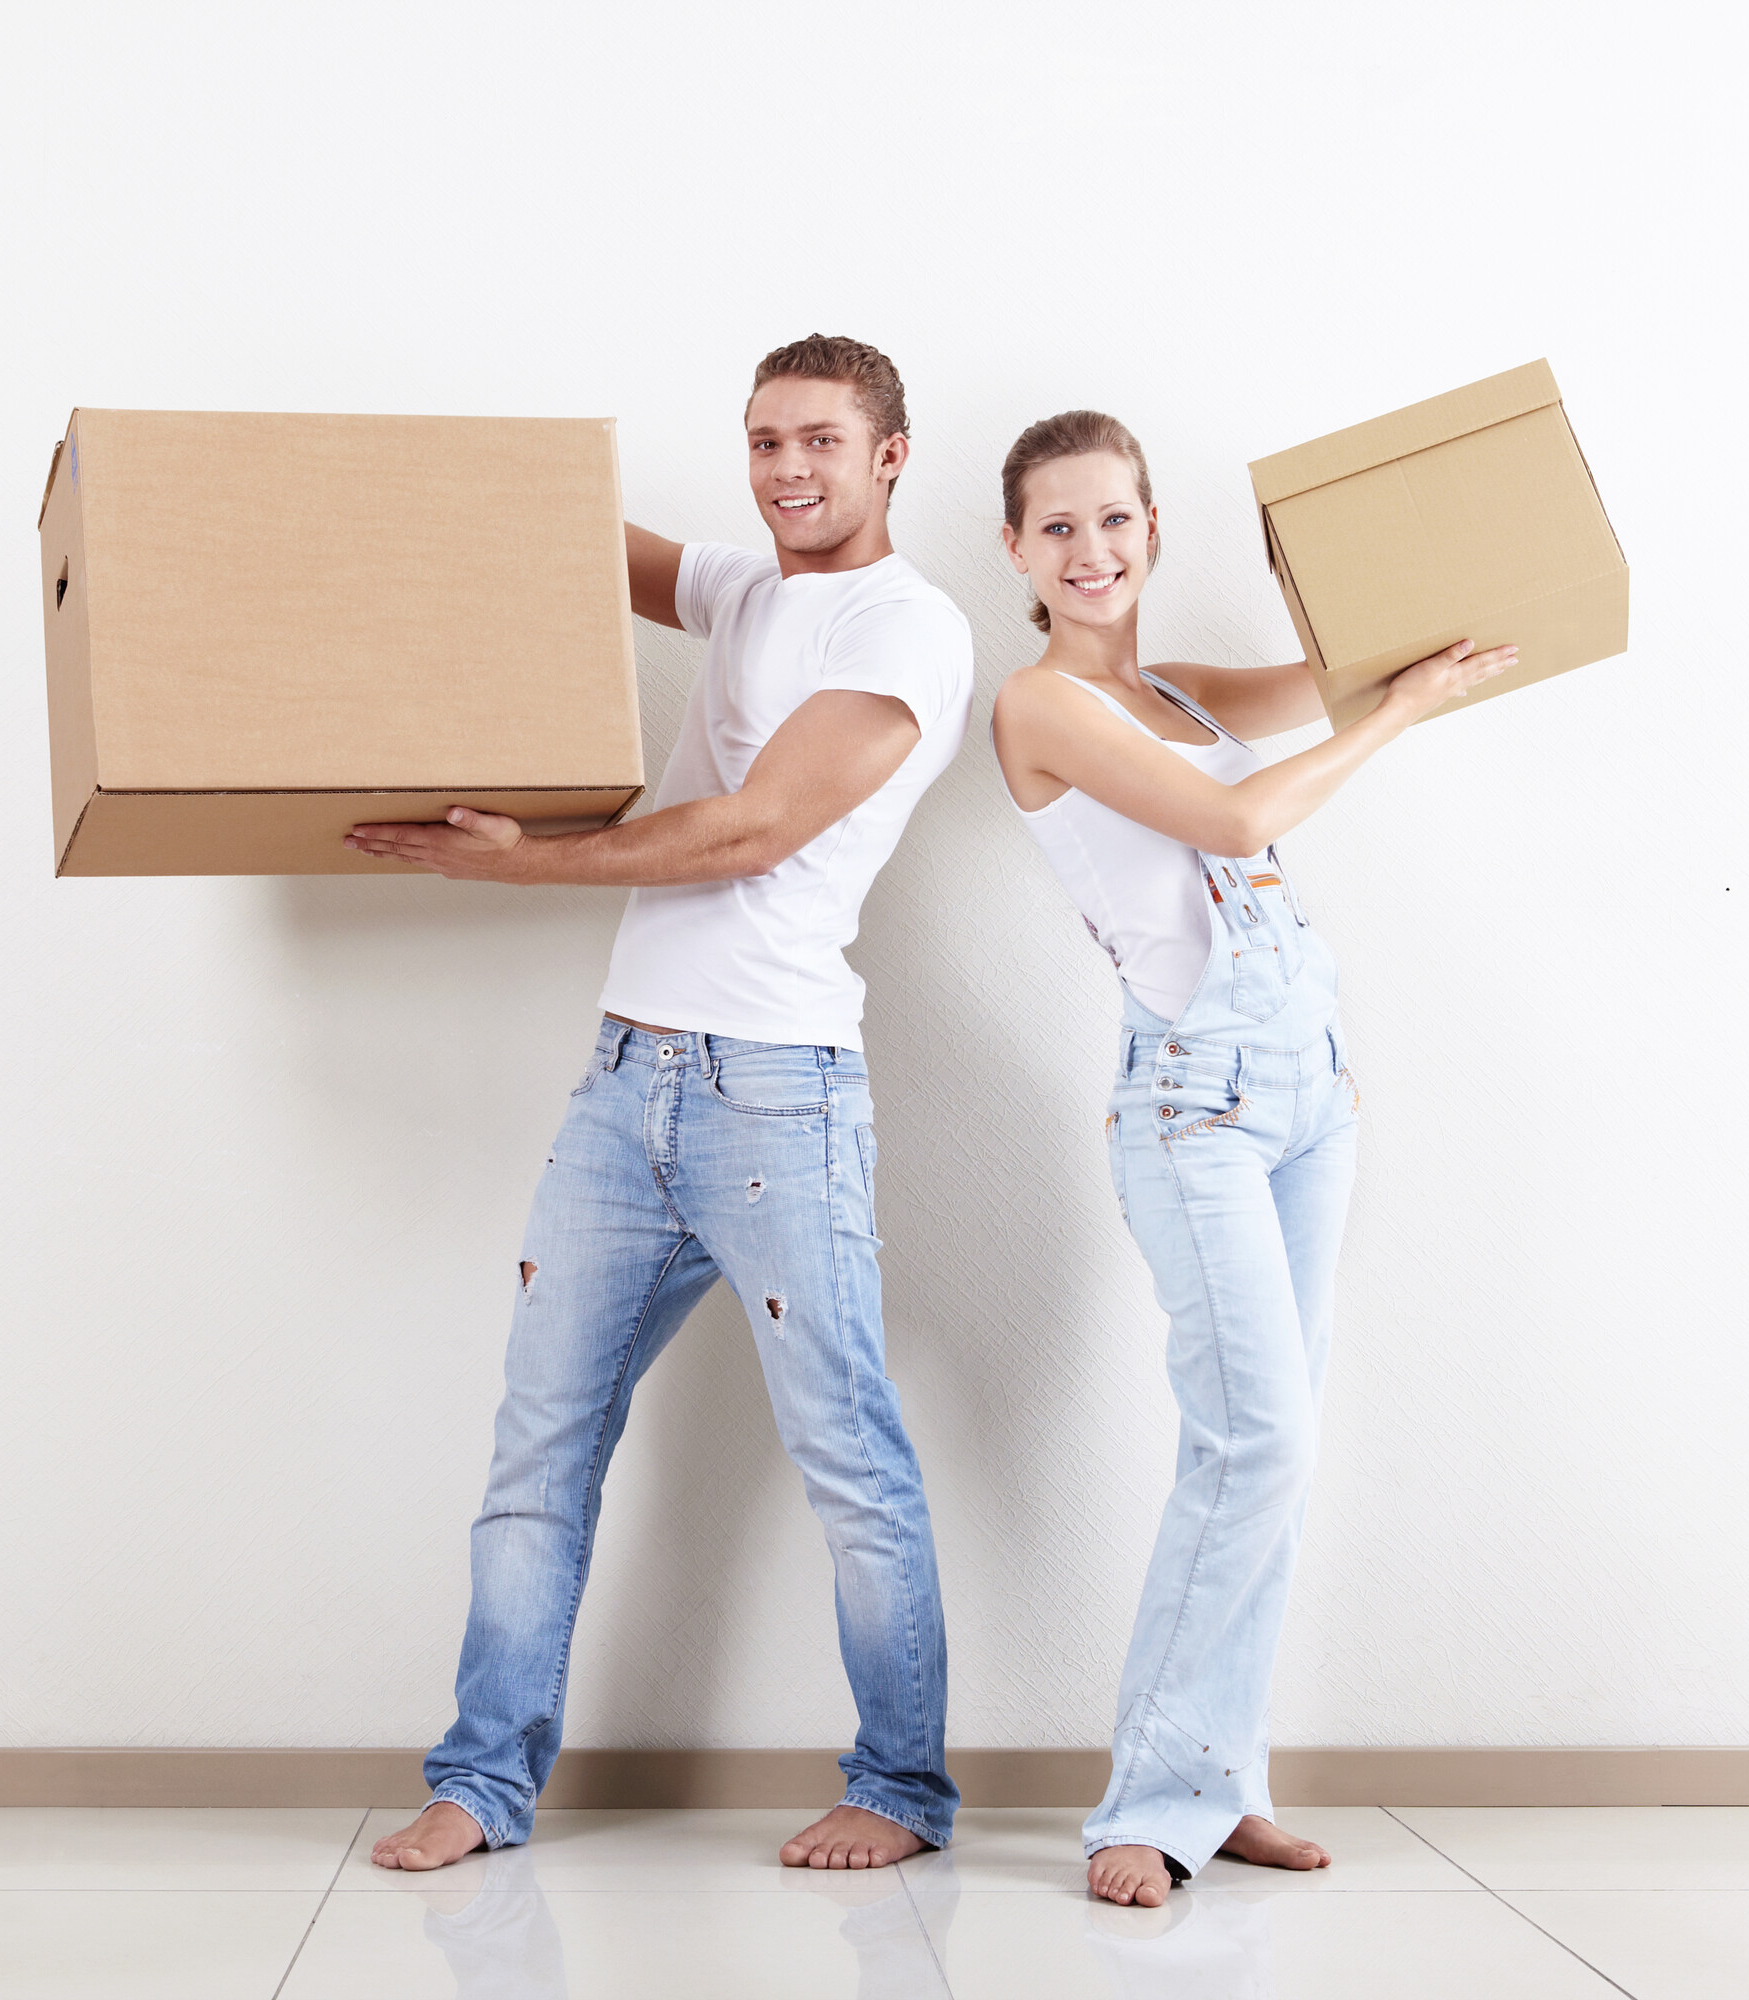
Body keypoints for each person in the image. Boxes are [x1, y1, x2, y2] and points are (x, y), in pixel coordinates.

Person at [344, 335, 975, 1873]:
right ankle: (482, 1781)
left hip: (776, 1096)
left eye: (820, 440)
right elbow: (565, 534)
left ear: (892, 455)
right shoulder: (747, 590)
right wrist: (398, 486)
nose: (786, 470)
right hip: (626, 1083)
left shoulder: (909, 628)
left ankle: (901, 1790)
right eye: (764, 441)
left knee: (850, 1458)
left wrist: (518, 865)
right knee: (539, 1446)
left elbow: (751, 829)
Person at [986, 410, 1510, 1906]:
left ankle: (1223, 1786)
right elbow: (1235, 810)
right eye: (1060, 527)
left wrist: (1411, 628)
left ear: (1154, 529)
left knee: (1278, 1456)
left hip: (1308, 1095)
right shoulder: (1040, 707)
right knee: (1252, 1441)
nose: (1093, 550)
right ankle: (1144, 1808)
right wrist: (1398, 714)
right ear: (1015, 549)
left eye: (1116, 520)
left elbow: (1337, 670)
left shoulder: (1174, 687)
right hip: (1193, 1111)